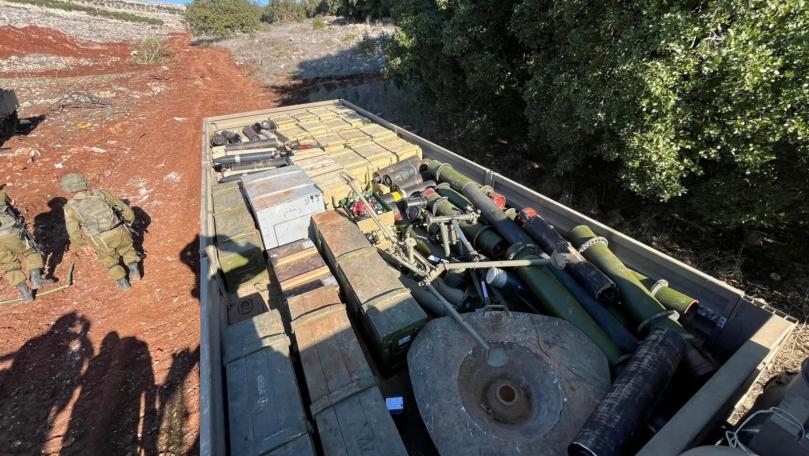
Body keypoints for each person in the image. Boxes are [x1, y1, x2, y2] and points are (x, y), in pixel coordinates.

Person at [60, 173, 140, 291]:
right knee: (127, 249)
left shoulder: (70, 207)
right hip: (118, 229)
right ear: (84, 182)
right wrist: (128, 224)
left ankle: (123, 283)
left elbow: (73, 231)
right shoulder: (101, 194)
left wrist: (83, 245)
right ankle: (134, 269)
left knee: (109, 259)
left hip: (99, 239)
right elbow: (126, 211)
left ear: (68, 189)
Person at [0, 189, 53, 302]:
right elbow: (12, 203)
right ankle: (36, 279)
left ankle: (25, 293)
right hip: (7, 232)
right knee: (31, 250)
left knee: (8, 263)